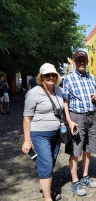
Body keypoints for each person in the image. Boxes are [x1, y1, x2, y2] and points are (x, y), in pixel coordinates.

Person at [22, 63, 63, 201]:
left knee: (50, 162)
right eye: (47, 75)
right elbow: (27, 118)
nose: (50, 77)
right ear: (41, 77)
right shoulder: (33, 93)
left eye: (53, 75)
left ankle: (48, 188)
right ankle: (47, 198)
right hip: (40, 134)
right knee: (46, 163)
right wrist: (27, 140)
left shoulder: (59, 90)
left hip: (56, 134)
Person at [63, 50, 96, 196]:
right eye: (79, 60)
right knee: (75, 150)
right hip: (76, 117)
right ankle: (75, 181)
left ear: (87, 61)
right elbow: (65, 102)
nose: (81, 62)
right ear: (74, 61)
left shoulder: (92, 78)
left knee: (88, 148)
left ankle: (85, 176)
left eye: (84, 59)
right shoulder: (68, 79)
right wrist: (69, 121)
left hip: (91, 116)